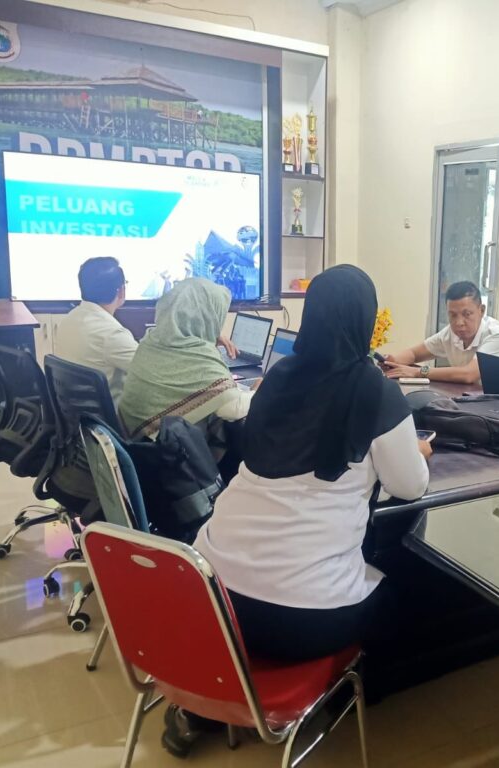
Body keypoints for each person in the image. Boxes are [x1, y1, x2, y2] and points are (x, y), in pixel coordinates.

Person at [168, 266, 431, 756]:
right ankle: (350, 703)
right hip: (303, 623)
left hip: (213, 601)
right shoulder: (374, 390)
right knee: (401, 591)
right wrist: (416, 450)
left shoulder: (276, 377)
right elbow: (410, 486)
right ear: (365, 320)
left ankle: (214, 699)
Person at [55, 257, 238, 404]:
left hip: (83, 420)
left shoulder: (71, 319)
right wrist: (202, 341)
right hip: (117, 422)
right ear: (121, 291)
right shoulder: (111, 334)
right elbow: (158, 371)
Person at [118, 278, 256, 441]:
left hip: (135, 441)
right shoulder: (198, 356)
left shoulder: (152, 341)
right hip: (165, 448)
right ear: (207, 317)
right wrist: (259, 392)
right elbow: (233, 409)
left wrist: (207, 337)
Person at [383, 280, 499, 384]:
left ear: (482, 310)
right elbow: (414, 353)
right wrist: (392, 361)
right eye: (453, 315)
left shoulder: (496, 335)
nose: (459, 322)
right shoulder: (450, 333)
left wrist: (418, 372)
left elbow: (468, 374)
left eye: (467, 314)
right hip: (472, 399)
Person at [54, 257, 138, 403]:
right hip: (114, 414)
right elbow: (151, 371)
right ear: (121, 291)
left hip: (75, 411)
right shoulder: (112, 334)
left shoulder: (68, 319)